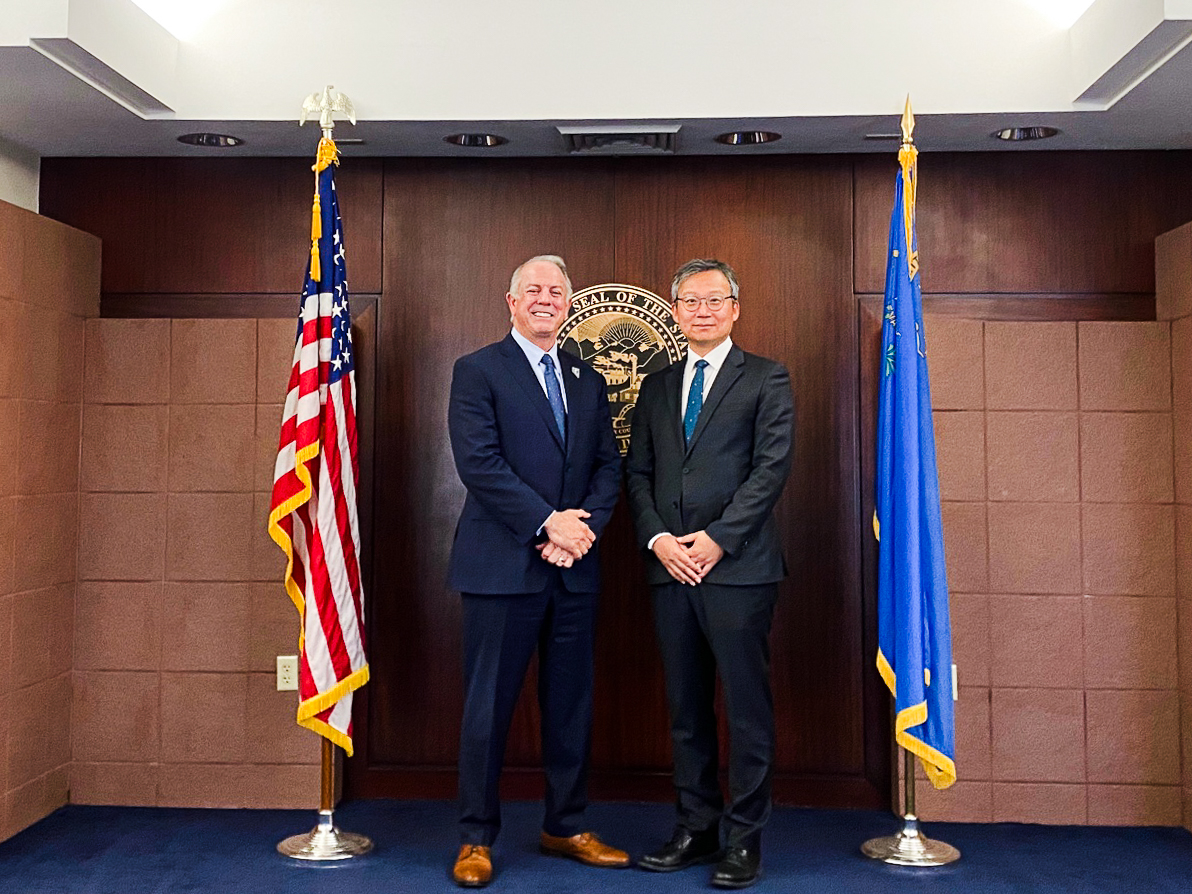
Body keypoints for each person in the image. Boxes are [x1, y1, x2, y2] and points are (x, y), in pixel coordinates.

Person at [446, 255, 628, 887]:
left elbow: (609, 466)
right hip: (500, 568)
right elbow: (480, 464)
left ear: (569, 301)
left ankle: (566, 824)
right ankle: (475, 836)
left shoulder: (587, 377)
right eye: (534, 290)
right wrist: (549, 523)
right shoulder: (477, 371)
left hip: (574, 568)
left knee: (571, 705)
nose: (546, 298)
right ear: (511, 300)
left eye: (556, 290)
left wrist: (583, 531)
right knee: (487, 708)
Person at [626, 259, 794, 889]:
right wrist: (659, 539)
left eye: (714, 300)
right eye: (690, 301)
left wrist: (718, 540)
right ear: (674, 310)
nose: (702, 310)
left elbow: (770, 471)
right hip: (670, 568)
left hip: (739, 570)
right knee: (686, 709)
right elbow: (638, 474)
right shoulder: (658, 386)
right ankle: (696, 829)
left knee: (747, 710)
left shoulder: (767, 379)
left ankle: (744, 840)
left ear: (734, 309)